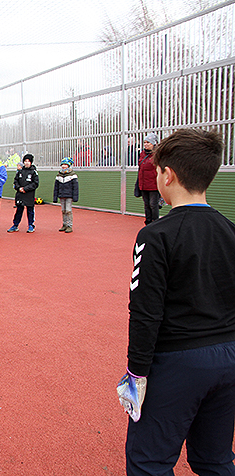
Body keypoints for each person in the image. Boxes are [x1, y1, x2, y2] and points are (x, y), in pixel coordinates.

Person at [123, 128, 235, 476]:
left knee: (149, 461)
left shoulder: (156, 235)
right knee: (214, 459)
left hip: (178, 361)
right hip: (229, 356)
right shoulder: (230, 230)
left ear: (167, 175)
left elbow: (145, 310)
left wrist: (136, 373)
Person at [7, 153, 39, 233]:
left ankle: (31, 225)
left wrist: (25, 189)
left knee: (30, 210)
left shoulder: (34, 172)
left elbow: (35, 184)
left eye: (28, 161)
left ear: (31, 162)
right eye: (25, 161)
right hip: (20, 194)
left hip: (29, 195)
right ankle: (15, 225)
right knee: (19, 210)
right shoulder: (20, 171)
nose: (26, 163)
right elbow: (15, 181)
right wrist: (19, 188)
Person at [137, 133, 160, 225]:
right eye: (145, 142)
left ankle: (155, 222)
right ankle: (148, 221)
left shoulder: (157, 155)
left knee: (153, 204)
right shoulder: (142, 154)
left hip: (154, 185)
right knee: (146, 204)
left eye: (148, 143)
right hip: (144, 184)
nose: (146, 144)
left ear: (154, 144)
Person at [53, 157, 79, 233]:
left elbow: (75, 187)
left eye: (65, 164)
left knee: (68, 210)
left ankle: (69, 226)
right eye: (62, 164)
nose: (63, 166)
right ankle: (64, 224)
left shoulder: (73, 175)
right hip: (62, 195)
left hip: (69, 196)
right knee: (63, 210)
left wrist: (75, 197)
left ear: (69, 165)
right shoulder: (59, 175)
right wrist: (55, 197)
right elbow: (56, 187)